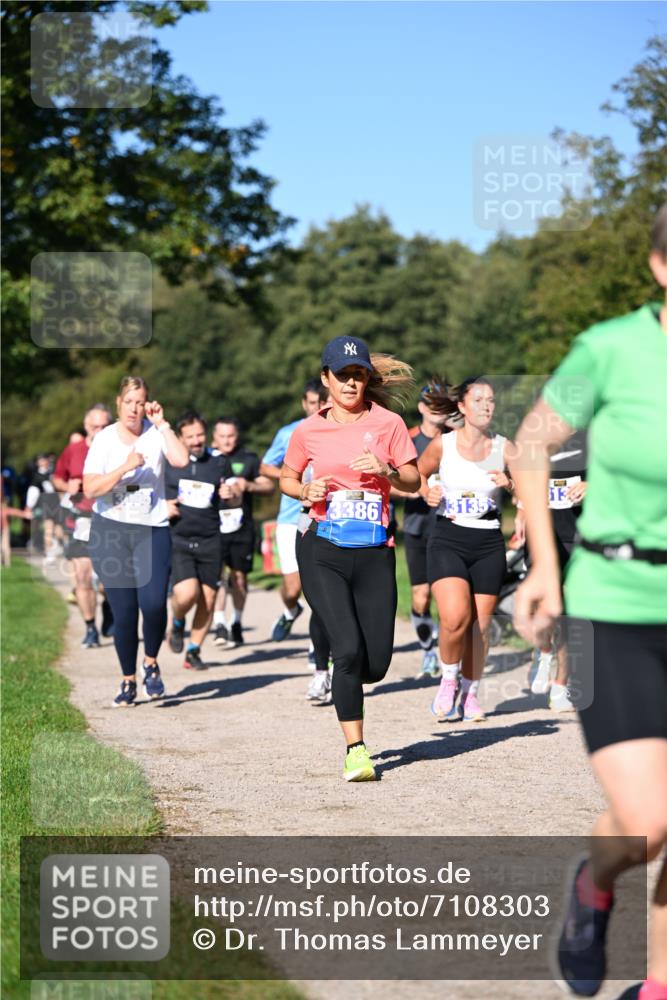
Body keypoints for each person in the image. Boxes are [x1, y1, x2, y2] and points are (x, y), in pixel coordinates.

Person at [511, 203, 667, 1000]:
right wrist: (545, 567)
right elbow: (529, 442)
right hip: (614, 602)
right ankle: (593, 884)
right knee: (647, 821)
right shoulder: (605, 349)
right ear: (659, 267)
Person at [281, 335, 420, 782]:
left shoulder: (389, 424)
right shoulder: (308, 431)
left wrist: (387, 471)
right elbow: (286, 478)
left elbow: (414, 480)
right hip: (322, 547)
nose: (350, 383)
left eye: (358, 375)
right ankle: (356, 751)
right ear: (326, 378)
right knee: (348, 651)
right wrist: (305, 490)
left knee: (374, 664)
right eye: (342, 375)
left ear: (366, 379)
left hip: (375, 550)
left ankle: (341, 665)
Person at [83, 376, 188, 707]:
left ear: (147, 405)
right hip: (111, 531)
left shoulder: (156, 434)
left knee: (154, 603)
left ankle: (151, 663)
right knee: (125, 612)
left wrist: (164, 425)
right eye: (128, 402)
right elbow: (90, 489)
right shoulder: (104, 439)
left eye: (140, 402)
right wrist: (125, 467)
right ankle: (128, 679)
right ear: (118, 403)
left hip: (151, 528)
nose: (134, 408)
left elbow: (181, 460)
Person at [418, 377, 514, 723]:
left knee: (479, 628)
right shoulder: (443, 444)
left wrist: (511, 483)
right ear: (461, 406)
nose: (487, 405)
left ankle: (470, 694)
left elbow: (528, 489)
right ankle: (448, 680)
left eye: (491, 400)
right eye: (478, 400)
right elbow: (416, 474)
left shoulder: (504, 447)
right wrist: (426, 491)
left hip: (488, 542)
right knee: (455, 618)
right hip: (448, 537)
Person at [516, 429, 588, 711]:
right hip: (542, 535)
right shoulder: (538, 439)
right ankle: (544, 651)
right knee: (543, 605)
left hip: (579, 534)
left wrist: (592, 486)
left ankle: (560, 686)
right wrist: (521, 512)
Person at [392, 382, 456, 678]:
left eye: (443, 405)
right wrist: (418, 489)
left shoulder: (456, 440)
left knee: (448, 595)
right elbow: (388, 483)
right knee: (421, 596)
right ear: (421, 408)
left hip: (450, 525)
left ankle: (449, 653)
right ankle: (428, 649)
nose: (438, 410)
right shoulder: (407, 439)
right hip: (418, 525)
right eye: (432, 404)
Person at [260, 379, 327, 642]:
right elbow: (265, 466)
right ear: (304, 403)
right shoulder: (289, 433)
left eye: (320, 402)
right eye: (311, 403)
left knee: (321, 585)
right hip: (290, 518)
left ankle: (318, 647)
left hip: (324, 516)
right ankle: (290, 610)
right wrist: (294, 478)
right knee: (293, 588)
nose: (316, 408)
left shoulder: (334, 431)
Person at [165, 411, 231, 670]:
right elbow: (150, 492)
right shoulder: (169, 462)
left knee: (208, 598)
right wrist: (163, 505)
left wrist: (230, 493)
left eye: (200, 435)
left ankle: (193, 651)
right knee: (187, 593)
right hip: (179, 538)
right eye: (190, 436)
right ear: (181, 438)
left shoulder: (218, 462)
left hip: (211, 539)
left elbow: (231, 496)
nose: (196, 441)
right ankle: (178, 620)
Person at [52, 404, 113, 647]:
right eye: (95, 426)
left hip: (111, 518)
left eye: (104, 426)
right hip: (81, 519)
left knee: (110, 579)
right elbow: (57, 478)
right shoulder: (74, 450)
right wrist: (67, 486)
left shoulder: (118, 449)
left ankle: (109, 606)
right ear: (87, 426)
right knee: (82, 576)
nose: (99, 431)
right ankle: (90, 628)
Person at [210, 417, 273, 647]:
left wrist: (249, 485)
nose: (227, 441)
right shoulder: (207, 459)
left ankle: (236, 622)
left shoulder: (248, 458)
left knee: (238, 577)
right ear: (214, 437)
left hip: (241, 527)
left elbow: (269, 485)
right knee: (216, 576)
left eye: (231, 436)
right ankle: (219, 624)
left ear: (237, 436)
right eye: (222, 436)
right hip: (213, 526)